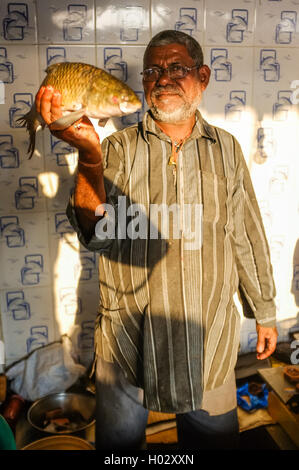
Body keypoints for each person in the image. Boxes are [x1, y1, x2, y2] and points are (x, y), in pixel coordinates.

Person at [36, 30, 278, 450]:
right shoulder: (115, 148)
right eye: (153, 70)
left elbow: (245, 234)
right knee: (120, 452)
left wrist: (265, 310)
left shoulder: (227, 150)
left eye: (177, 68)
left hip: (209, 337)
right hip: (129, 341)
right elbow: (96, 235)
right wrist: (90, 159)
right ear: (145, 82)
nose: (162, 77)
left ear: (201, 77)